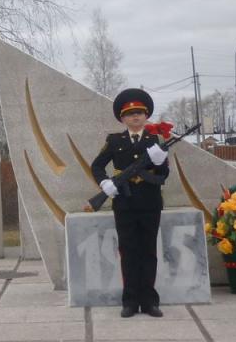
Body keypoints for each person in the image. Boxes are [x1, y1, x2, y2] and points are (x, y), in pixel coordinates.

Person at [90, 88, 169, 319]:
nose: (135, 117)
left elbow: (163, 175)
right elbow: (96, 166)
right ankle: (130, 302)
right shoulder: (114, 140)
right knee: (128, 251)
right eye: (130, 113)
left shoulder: (155, 140)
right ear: (122, 118)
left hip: (150, 202)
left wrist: (160, 162)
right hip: (124, 203)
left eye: (140, 112)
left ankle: (150, 302)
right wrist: (105, 183)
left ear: (146, 116)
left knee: (148, 252)